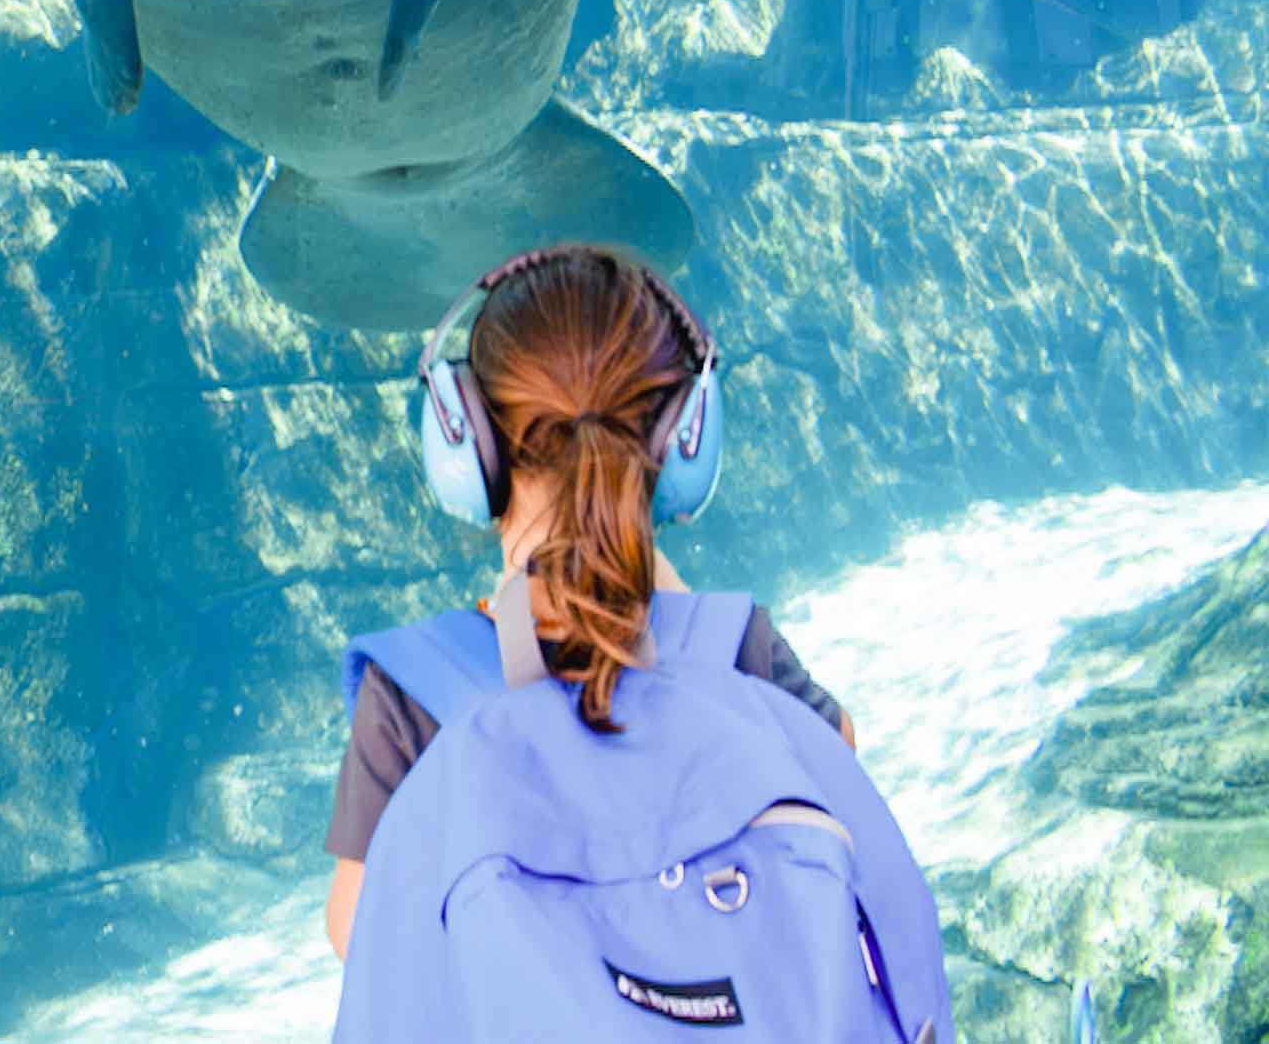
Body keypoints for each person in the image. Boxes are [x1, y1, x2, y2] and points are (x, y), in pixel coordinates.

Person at [325, 244, 951, 1043]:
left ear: (466, 450)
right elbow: (838, 781)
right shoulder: (735, 648)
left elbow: (359, 931)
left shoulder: (414, 689)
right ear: (684, 446)